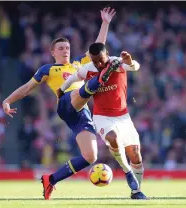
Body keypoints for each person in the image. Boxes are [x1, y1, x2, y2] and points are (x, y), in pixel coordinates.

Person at [2, 8, 116, 200]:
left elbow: (98, 46)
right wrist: (7, 100)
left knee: (90, 156)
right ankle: (101, 78)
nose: (65, 51)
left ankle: (51, 180)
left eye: (67, 48)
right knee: (84, 89)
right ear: (53, 52)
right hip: (66, 102)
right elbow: (27, 87)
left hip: (81, 112)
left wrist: (105, 23)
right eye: (61, 48)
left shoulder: (79, 64)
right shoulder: (48, 69)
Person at [58, 42, 147, 199]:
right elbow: (73, 77)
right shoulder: (89, 69)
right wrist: (61, 90)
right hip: (102, 117)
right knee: (112, 137)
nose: (98, 64)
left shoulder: (117, 62)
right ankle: (127, 171)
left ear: (107, 54)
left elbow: (136, 67)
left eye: (101, 60)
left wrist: (130, 61)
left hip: (123, 116)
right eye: (95, 61)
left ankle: (136, 191)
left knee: (135, 154)